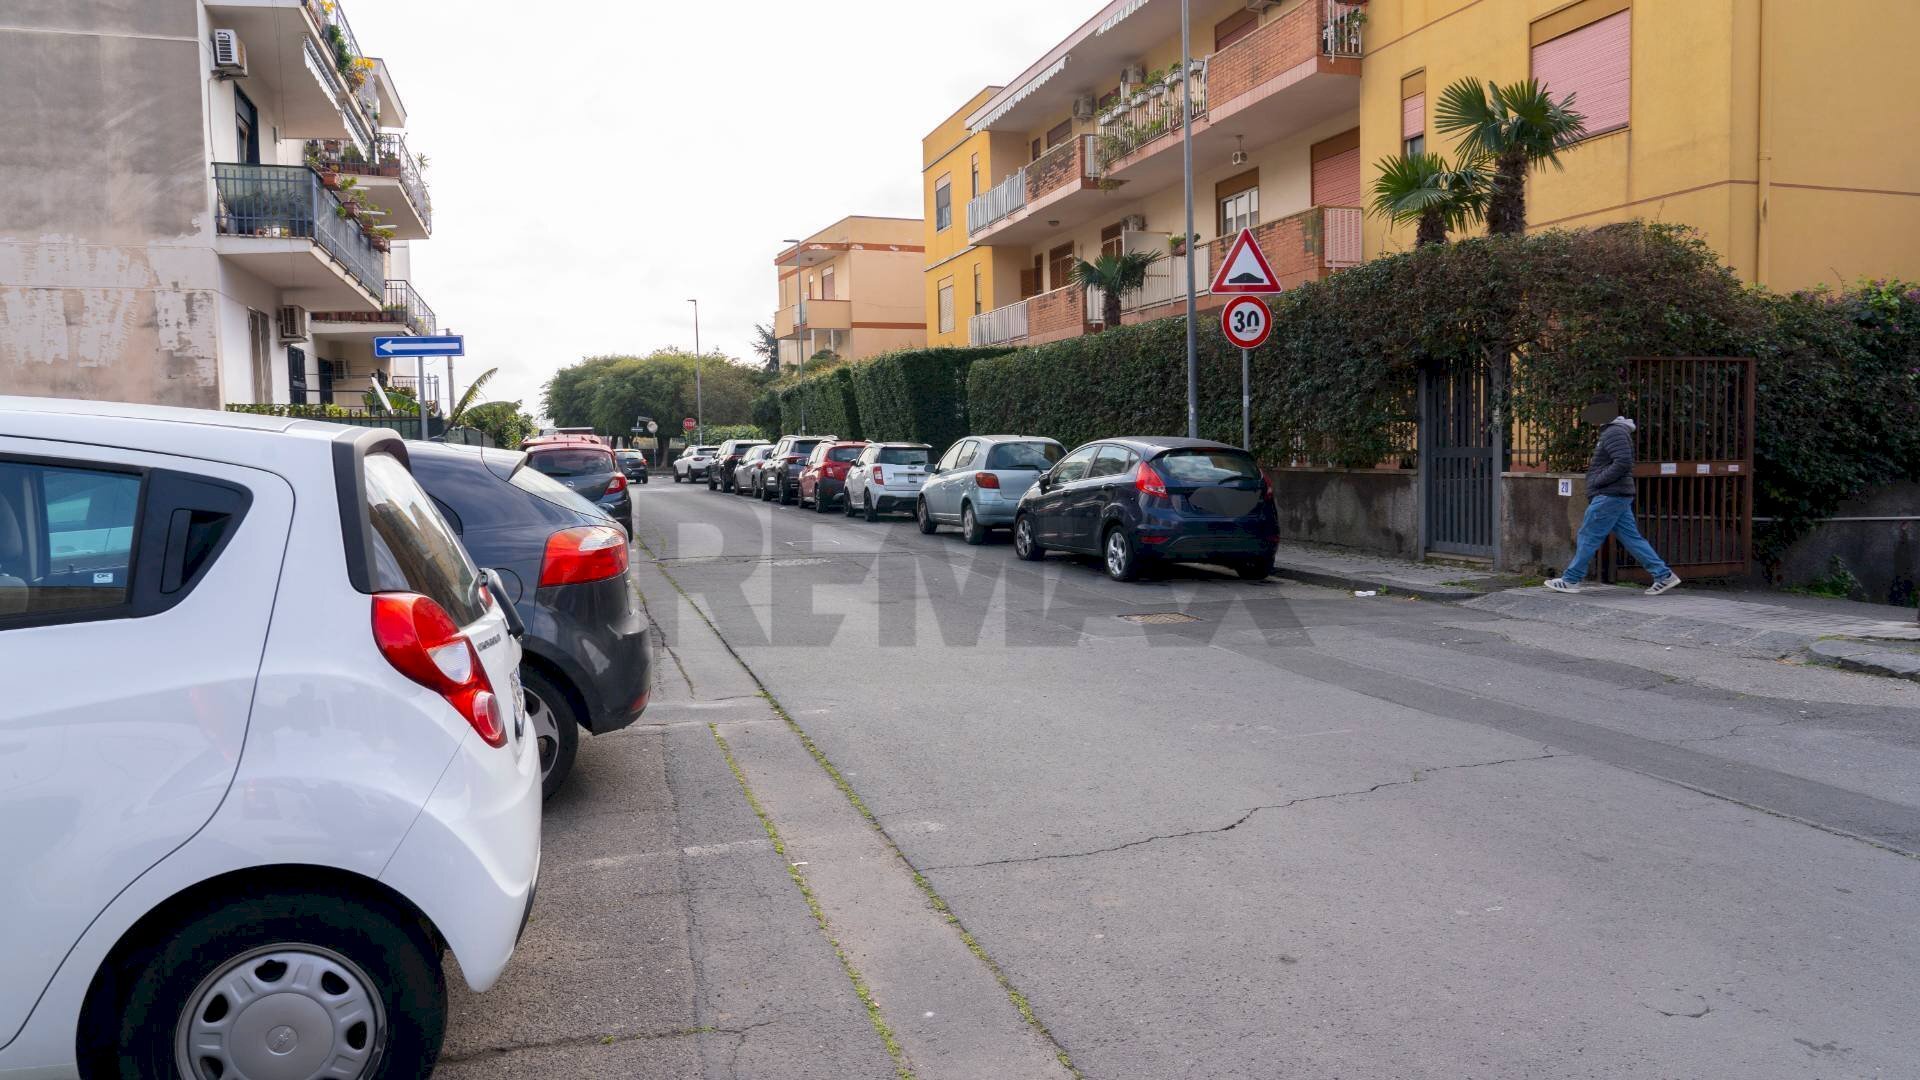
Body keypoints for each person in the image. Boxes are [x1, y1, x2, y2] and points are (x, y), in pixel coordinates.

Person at [1545, 395, 1681, 596]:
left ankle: (1571, 580)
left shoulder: (1614, 433)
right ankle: (1663, 575)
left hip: (1609, 495)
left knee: (1588, 535)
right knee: (1632, 539)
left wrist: (1598, 480)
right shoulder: (1614, 431)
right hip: (1616, 495)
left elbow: (1623, 462)